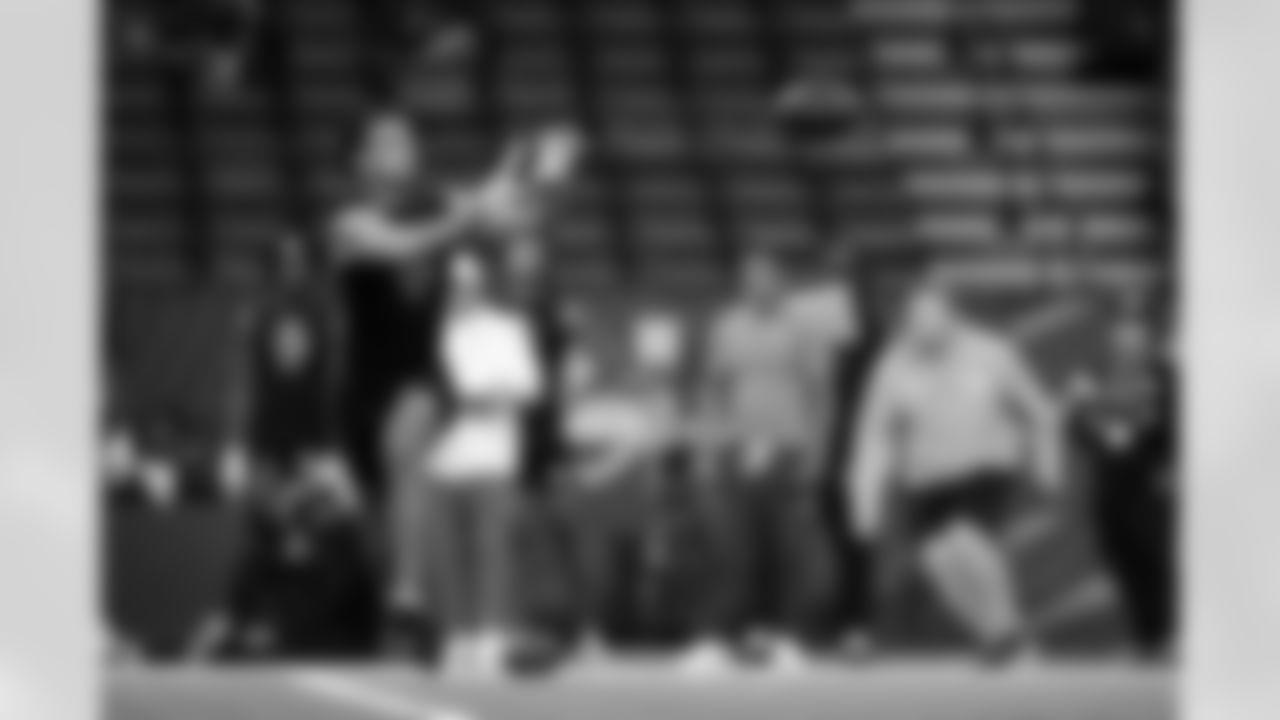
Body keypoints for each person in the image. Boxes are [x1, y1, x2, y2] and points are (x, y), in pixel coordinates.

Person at [848, 273, 1064, 663]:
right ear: (907, 324)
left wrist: (1049, 462)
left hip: (987, 462)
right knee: (937, 560)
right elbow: (873, 434)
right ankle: (997, 636)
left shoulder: (992, 353)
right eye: (917, 325)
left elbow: (1040, 410)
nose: (926, 335)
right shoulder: (892, 365)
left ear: (953, 318)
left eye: (935, 323)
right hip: (927, 476)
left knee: (968, 541)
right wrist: (863, 497)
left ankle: (1010, 629)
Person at [191, 237, 375, 660]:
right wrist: (235, 447)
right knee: (268, 542)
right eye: (284, 261)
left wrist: (337, 460)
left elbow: (334, 389)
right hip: (268, 451)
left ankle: (322, 630)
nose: (292, 269)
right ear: (272, 268)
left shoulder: (326, 316)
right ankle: (238, 624)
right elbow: (242, 387)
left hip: (316, 451)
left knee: (336, 538)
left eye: (299, 261)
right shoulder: (254, 317)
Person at [392, 249, 546, 676]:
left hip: (491, 458)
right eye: (455, 286)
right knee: (449, 557)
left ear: (482, 286)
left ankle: (490, 638)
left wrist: (484, 397)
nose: (463, 293)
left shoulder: (507, 329)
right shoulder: (432, 334)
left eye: (470, 284)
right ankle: (458, 637)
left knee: (490, 552)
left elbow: (529, 386)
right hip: (443, 459)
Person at [700, 249, 844, 673]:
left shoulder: (805, 327)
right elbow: (714, 390)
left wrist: (819, 452)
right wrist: (709, 447)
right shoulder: (726, 325)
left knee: (790, 551)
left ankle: (791, 639)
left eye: (764, 277)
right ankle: (730, 639)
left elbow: (822, 395)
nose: (755, 286)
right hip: (739, 449)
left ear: (782, 282)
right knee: (736, 549)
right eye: (748, 278)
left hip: (788, 449)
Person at [1067, 314, 1177, 659]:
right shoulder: (1100, 380)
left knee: (1156, 560)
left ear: (1147, 343)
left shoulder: (1165, 382)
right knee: (1122, 559)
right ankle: (1148, 640)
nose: (1126, 347)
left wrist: (1101, 411)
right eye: (1119, 342)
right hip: (1110, 488)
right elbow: (1079, 433)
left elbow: (1159, 431)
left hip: (1151, 486)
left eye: (1133, 340)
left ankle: (1168, 634)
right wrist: (1084, 409)